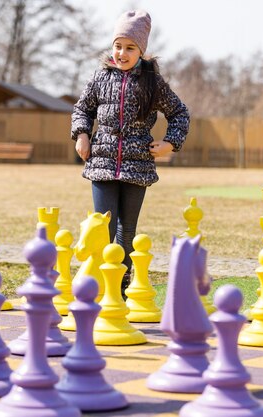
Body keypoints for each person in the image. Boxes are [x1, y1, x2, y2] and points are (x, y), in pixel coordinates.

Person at [71, 9, 190, 298]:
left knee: (127, 230)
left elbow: (179, 113)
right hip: (102, 161)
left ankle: (120, 288)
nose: (122, 53)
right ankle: (97, 284)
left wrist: (169, 144)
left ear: (141, 50)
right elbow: (82, 109)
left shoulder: (152, 83)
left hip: (138, 165)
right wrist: (82, 134)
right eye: (118, 46)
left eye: (129, 48)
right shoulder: (100, 78)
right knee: (103, 226)